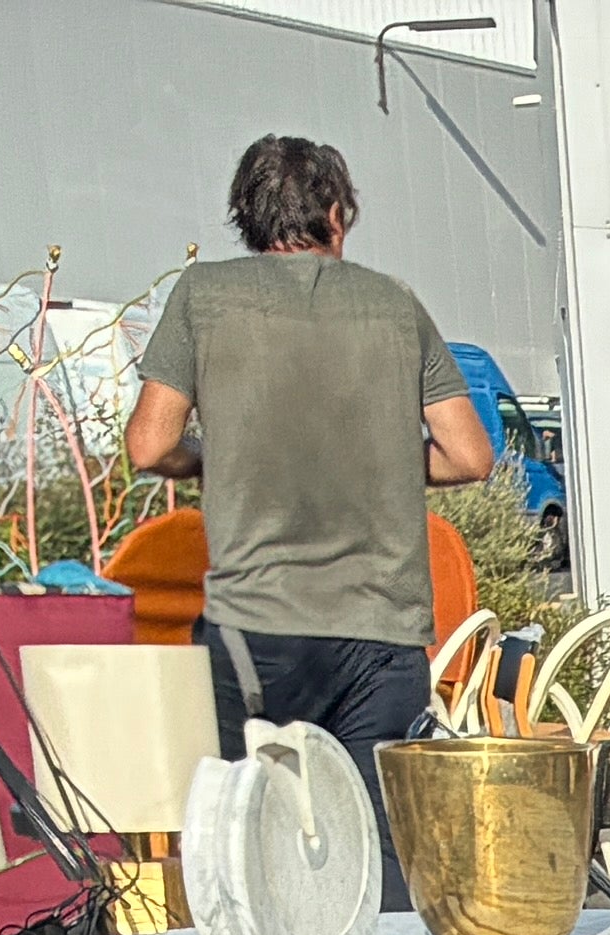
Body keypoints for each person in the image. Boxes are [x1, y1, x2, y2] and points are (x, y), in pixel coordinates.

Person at [124, 134, 493, 783]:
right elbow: (468, 456)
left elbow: (149, 444)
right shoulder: (394, 304)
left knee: (252, 841)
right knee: (377, 846)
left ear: (247, 218)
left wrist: (216, 460)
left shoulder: (204, 297)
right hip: (381, 634)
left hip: (258, 630)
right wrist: (373, 462)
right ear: (334, 217)